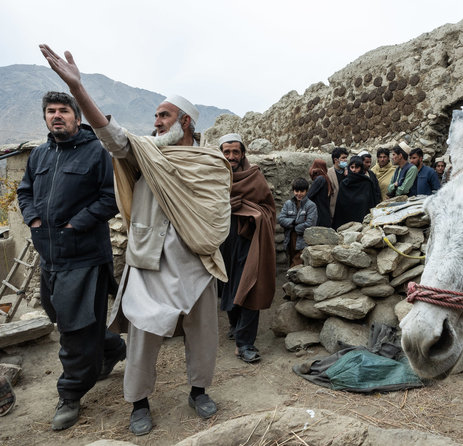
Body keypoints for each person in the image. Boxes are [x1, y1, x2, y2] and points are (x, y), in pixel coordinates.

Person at [39, 45, 232, 436]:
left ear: (187, 123)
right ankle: (139, 402)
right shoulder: (144, 153)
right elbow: (113, 137)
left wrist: (202, 241)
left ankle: (198, 391)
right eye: (156, 116)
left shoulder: (212, 163)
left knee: (203, 335)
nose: (157, 122)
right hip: (149, 260)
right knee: (142, 339)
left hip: (197, 262)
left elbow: (217, 217)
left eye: (165, 115)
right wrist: (78, 90)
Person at [16, 91, 126, 431]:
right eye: (51, 111)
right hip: (50, 256)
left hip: (84, 258)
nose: (56, 116)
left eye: (63, 110)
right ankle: (110, 348)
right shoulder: (39, 155)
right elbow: (24, 191)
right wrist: (33, 219)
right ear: (45, 118)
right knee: (58, 315)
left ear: (77, 117)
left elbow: (112, 198)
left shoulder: (97, 153)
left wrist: (75, 223)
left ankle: (71, 393)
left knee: (75, 330)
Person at [218, 133, 276, 364]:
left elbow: (269, 209)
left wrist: (249, 210)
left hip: (250, 240)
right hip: (222, 240)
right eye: (227, 152)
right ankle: (235, 325)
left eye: (235, 152)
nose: (231, 156)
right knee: (229, 285)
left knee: (251, 286)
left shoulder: (255, 176)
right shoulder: (213, 176)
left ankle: (245, 343)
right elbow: (201, 206)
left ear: (243, 154)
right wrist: (224, 205)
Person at [278, 178, 317, 267]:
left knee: (297, 262)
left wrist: (295, 227)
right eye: (296, 191)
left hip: (303, 239)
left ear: (306, 191)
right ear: (293, 191)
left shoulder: (311, 206)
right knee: (291, 259)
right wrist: (294, 222)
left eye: (302, 191)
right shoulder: (288, 204)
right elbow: (281, 219)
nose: (299, 193)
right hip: (290, 238)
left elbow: (310, 224)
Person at [332, 156, 378, 228]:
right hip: (346, 223)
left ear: (361, 168)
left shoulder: (367, 183)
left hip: (363, 222)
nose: (354, 170)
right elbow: (340, 207)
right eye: (352, 167)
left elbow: (372, 203)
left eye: (357, 167)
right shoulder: (344, 184)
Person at [307, 159, 333, 227]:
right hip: (324, 215)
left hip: (319, 215)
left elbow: (309, 196)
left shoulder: (320, 179)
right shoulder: (326, 178)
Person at [326, 147, 348, 224]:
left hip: (346, 209)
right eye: (343, 158)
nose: (345, 160)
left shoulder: (348, 172)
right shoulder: (328, 173)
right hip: (334, 210)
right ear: (335, 160)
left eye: (346, 158)